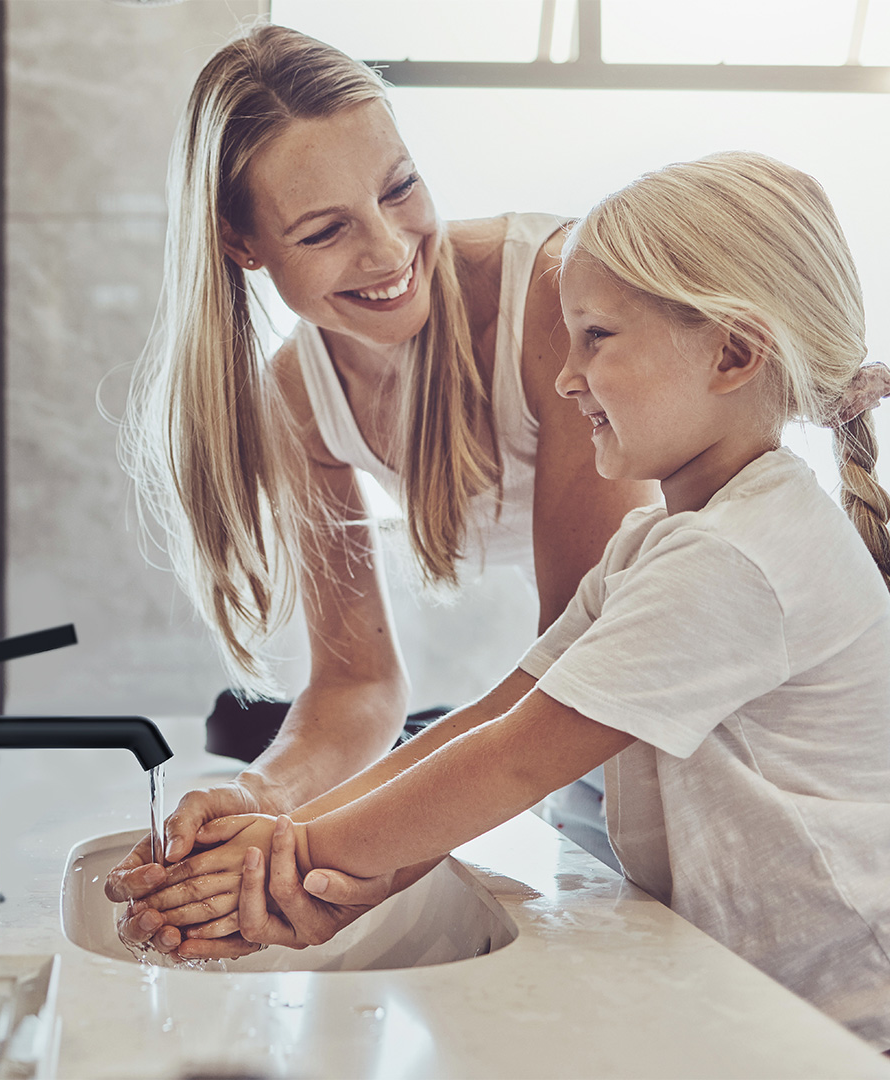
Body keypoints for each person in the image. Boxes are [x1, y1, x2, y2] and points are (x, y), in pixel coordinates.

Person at [119, 151, 890, 1048]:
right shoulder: (660, 542)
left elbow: (517, 761)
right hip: (764, 1002)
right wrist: (286, 826)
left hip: (845, 1022)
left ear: (731, 352)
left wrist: (289, 861)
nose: (563, 378)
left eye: (596, 338)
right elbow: (500, 712)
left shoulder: (737, 558)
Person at [106, 21, 654, 956]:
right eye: (324, 230)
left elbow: (580, 663)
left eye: (399, 186)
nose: (391, 247)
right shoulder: (299, 396)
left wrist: (313, 845)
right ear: (242, 246)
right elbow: (358, 684)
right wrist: (262, 797)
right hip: (593, 754)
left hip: (689, 728)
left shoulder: (556, 301)